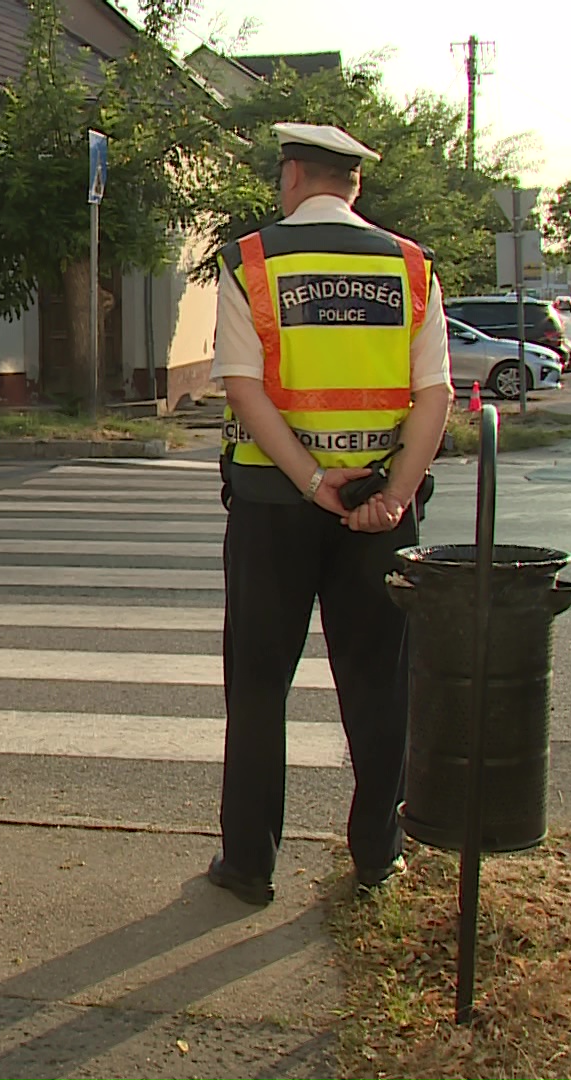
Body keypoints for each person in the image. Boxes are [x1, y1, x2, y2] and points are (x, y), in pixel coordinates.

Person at [204, 122, 454, 906]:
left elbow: (243, 387)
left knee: (258, 685)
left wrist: (316, 482)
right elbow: (436, 395)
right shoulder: (412, 267)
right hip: (381, 511)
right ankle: (377, 857)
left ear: (291, 179)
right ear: (354, 187)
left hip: (276, 506)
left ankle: (249, 866)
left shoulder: (251, 261)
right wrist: (393, 497)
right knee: (380, 685)